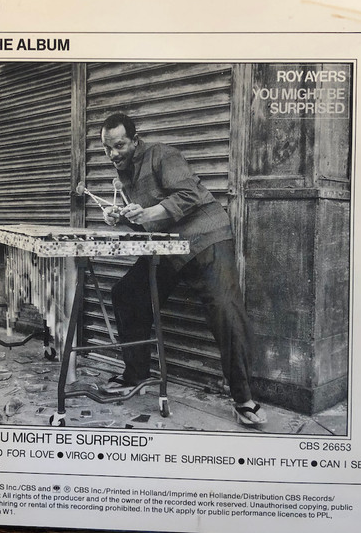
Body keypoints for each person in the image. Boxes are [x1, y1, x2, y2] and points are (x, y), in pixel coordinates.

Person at [99, 113, 266, 427]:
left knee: (225, 310)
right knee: (127, 295)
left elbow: (188, 195)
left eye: (119, 145)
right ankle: (136, 375)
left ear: (135, 140)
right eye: (107, 148)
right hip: (169, 247)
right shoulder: (124, 175)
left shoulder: (163, 154)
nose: (113, 154)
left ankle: (244, 399)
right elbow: (148, 221)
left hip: (206, 238)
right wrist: (122, 218)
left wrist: (147, 212)